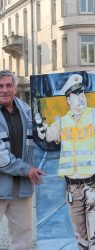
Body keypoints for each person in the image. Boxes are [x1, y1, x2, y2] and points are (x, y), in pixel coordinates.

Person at [36, 72, 95, 250]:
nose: (81, 97)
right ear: (68, 99)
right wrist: (41, 128)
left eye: (82, 93)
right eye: (76, 94)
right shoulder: (63, 122)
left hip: (93, 185)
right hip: (72, 187)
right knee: (81, 238)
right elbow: (48, 135)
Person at [0, 70, 45, 250]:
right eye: (0, 86)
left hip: (22, 188)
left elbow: (40, 140)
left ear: (15, 88)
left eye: (9, 85)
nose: (4, 90)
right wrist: (26, 169)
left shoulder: (26, 110)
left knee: (22, 240)